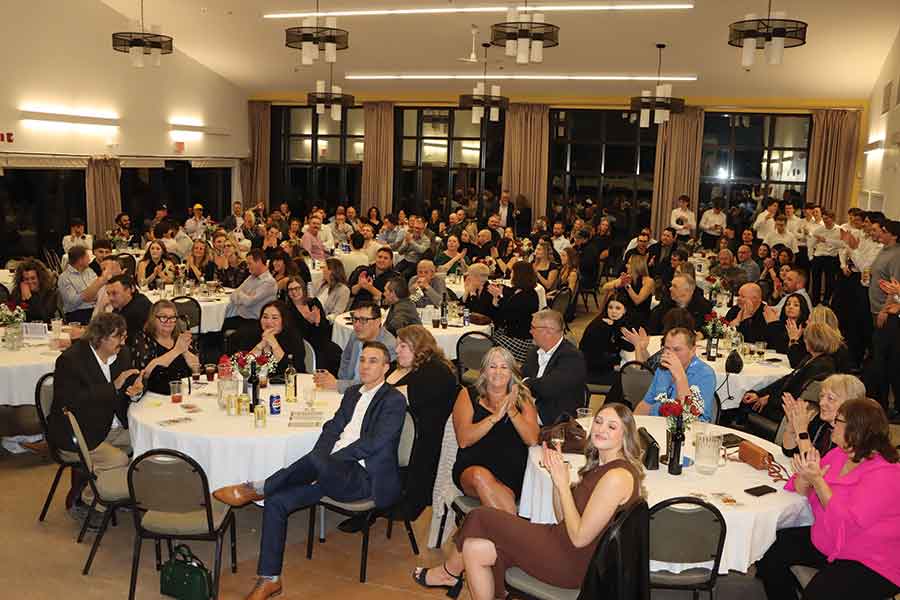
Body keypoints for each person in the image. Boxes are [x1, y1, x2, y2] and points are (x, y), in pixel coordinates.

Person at [213, 342, 407, 600]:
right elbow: (332, 427)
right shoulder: (352, 394)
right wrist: (324, 459)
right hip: (330, 474)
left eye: (373, 361)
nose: (365, 366)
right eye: (362, 360)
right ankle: (270, 580)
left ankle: (256, 488)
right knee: (278, 502)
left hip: (363, 478)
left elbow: (375, 443)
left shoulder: (393, 399)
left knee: (317, 463)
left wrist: (329, 461)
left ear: (385, 367)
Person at [413, 403, 644, 600]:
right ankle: (451, 573)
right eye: (599, 421)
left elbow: (579, 538)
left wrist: (564, 486)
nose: (601, 429)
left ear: (625, 436)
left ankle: (449, 572)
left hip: (571, 564)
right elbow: (563, 516)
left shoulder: (616, 477)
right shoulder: (600, 465)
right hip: (561, 543)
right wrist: (556, 481)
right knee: (473, 548)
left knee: (479, 516)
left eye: (612, 427)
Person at [756, 398, 900, 600]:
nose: (832, 423)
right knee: (769, 552)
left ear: (855, 429)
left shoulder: (885, 474)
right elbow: (801, 490)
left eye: (838, 420)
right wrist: (807, 478)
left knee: (818, 595)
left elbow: (846, 522)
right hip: (830, 540)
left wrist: (817, 480)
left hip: (871, 559)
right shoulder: (840, 455)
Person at [48, 313, 142, 515]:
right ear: (100, 338)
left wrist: (136, 391)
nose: (124, 341)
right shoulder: (71, 360)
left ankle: (116, 491)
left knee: (148, 446)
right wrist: (112, 387)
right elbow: (69, 402)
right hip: (79, 433)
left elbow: (128, 387)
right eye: (119, 336)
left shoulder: (123, 354)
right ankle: (90, 501)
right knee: (118, 460)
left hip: (111, 426)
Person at [452, 346, 540, 513]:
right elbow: (463, 440)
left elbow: (532, 439)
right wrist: (495, 417)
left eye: (504, 367)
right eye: (492, 366)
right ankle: (513, 533)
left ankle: (504, 534)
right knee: (481, 476)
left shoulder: (523, 399)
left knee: (499, 501)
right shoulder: (468, 395)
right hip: (472, 468)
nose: (498, 371)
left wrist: (511, 410)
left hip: (511, 472)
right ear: (484, 371)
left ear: (512, 372)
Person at [386, 325, 458, 518]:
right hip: (406, 432)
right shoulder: (407, 366)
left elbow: (394, 397)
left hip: (427, 441)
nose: (396, 350)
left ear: (418, 347)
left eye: (402, 346)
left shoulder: (435, 370)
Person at [740, 322, 838, 428]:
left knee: (744, 406)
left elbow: (798, 393)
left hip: (786, 411)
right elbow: (787, 379)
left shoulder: (821, 366)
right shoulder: (810, 358)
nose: (804, 341)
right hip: (780, 401)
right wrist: (760, 394)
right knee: (748, 398)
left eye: (806, 338)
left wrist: (769, 399)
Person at [634, 327, 717, 421]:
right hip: (658, 425)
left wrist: (680, 376)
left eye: (677, 349)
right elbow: (646, 403)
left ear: (692, 351)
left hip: (688, 430)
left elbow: (690, 417)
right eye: (667, 348)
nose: (670, 354)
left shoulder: (705, 374)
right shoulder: (663, 369)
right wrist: (633, 425)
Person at [522, 309, 588, 425]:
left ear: (548, 331)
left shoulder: (572, 357)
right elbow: (521, 376)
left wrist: (526, 383)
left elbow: (548, 387)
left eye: (533, 327)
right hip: (528, 412)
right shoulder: (534, 352)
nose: (530, 331)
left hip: (555, 423)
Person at [314, 302, 397, 393]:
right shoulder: (355, 335)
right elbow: (346, 359)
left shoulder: (388, 346)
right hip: (348, 392)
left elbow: (373, 385)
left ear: (377, 322)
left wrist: (338, 384)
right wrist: (339, 382)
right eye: (355, 319)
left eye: (363, 320)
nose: (357, 325)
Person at [781, 373, 865, 458]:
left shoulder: (852, 436)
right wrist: (792, 426)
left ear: (849, 404)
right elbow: (790, 452)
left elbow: (814, 467)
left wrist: (801, 431)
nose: (821, 403)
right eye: (822, 396)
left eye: (830, 398)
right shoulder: (821, 422)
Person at [866, 219, 900, 415]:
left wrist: (885, 311)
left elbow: (895, 287)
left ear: (893, 235)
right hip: (877, 309)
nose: (879, 233)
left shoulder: (896, 254)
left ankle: (888, 407)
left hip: (887, 314)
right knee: (880, 359)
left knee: (887, 362)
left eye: (884, 231)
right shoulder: (884, 249)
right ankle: (881, 404)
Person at [133, 300, 200, 395]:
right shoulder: (143, 339)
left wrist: (185, 351)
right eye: (163, 317)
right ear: (153, 319)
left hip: (183, 392)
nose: (169, 322)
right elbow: (145, 373)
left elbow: (196, 368)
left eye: (172, 317)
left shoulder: (179, 338)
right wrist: (177, 350)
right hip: (155, 396)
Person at [283, 277, 341, 376]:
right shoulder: (287, 310)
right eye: (290, 289)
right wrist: (310, 322)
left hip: (321, 340)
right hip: (305, 345)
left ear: (303, 288)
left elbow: (325, 329)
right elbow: (296, 335)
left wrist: (317, 322)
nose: (294, 292)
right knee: (321, 358)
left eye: (297, 288)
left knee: (336, 351)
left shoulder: (314, 302)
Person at [236, 301, 307, 378]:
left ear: (284, 320)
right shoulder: (252, 334)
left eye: (274, 318)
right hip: (258, 384)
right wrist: (260, 345)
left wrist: (274, 343)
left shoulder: (293, 337)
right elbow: (242, 368)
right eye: (265, 317)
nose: (268, 322)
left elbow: (293, 371)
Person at [487, 261, 540, 363]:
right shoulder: (518, 290)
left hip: (519, 339)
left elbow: (508, 315)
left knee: (486, 344)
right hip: (509, 332)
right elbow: (507, 296)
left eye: (512, 272)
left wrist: (499, 296)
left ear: (519, 275)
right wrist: (498, 293)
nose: (510, 274)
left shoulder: (528, 296)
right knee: (485, 337)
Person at [223, 249, 278, 332]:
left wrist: (241, 295)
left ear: (259, 262)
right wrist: (245, 295)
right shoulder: (251, 277)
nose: (247, 267)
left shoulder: (269, 282)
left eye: (249, 263)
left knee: (235, 337)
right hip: (242, 317)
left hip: (255, 322)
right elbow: (234, 294)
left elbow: (249, 302)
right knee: (216, 326)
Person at [647, 274, 712, 335]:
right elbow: (654, 327)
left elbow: (710, 327)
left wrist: (702, 334)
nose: (670, 289)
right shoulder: (665, 304)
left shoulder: (703, 306)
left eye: (674, 286)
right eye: (671, 285)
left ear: (688, 290)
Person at [58, 246, 106, 324]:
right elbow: (73, 301)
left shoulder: (90, 271)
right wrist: (89, 294)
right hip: (77, 314)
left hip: (95, 308)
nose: (89, 260)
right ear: (80, 260)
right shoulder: (64, 278)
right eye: (87, 257)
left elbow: (100, 291)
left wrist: (86, 295)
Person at [603, 254, 655, 324]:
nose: (626, 266)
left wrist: (627, 286)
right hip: (623, 312)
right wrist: (617, 284)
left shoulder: (648, 281)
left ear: (636, 266)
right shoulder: (627, 277)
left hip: (638, 315)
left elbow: (637, 301)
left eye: (629, 264)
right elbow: (605, 286)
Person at [104, 274, 151, 346]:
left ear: (131, 289)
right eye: (108, 294)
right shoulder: (126, 303)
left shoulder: (137, 309)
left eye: (114, 293)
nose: (110, 298)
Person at [809, 210, 842, 305]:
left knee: (830, 281)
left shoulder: (840, 230)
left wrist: (826, 240)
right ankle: (815, 301)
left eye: (827, 219)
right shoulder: (819, 230)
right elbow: (811, 244)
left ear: (833, 219)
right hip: (818, 257)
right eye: (824, 219)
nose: (825, 221)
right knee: (816, 280)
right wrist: (811, 257)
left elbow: (842, 244)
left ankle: (826, 300)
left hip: (831, 258)